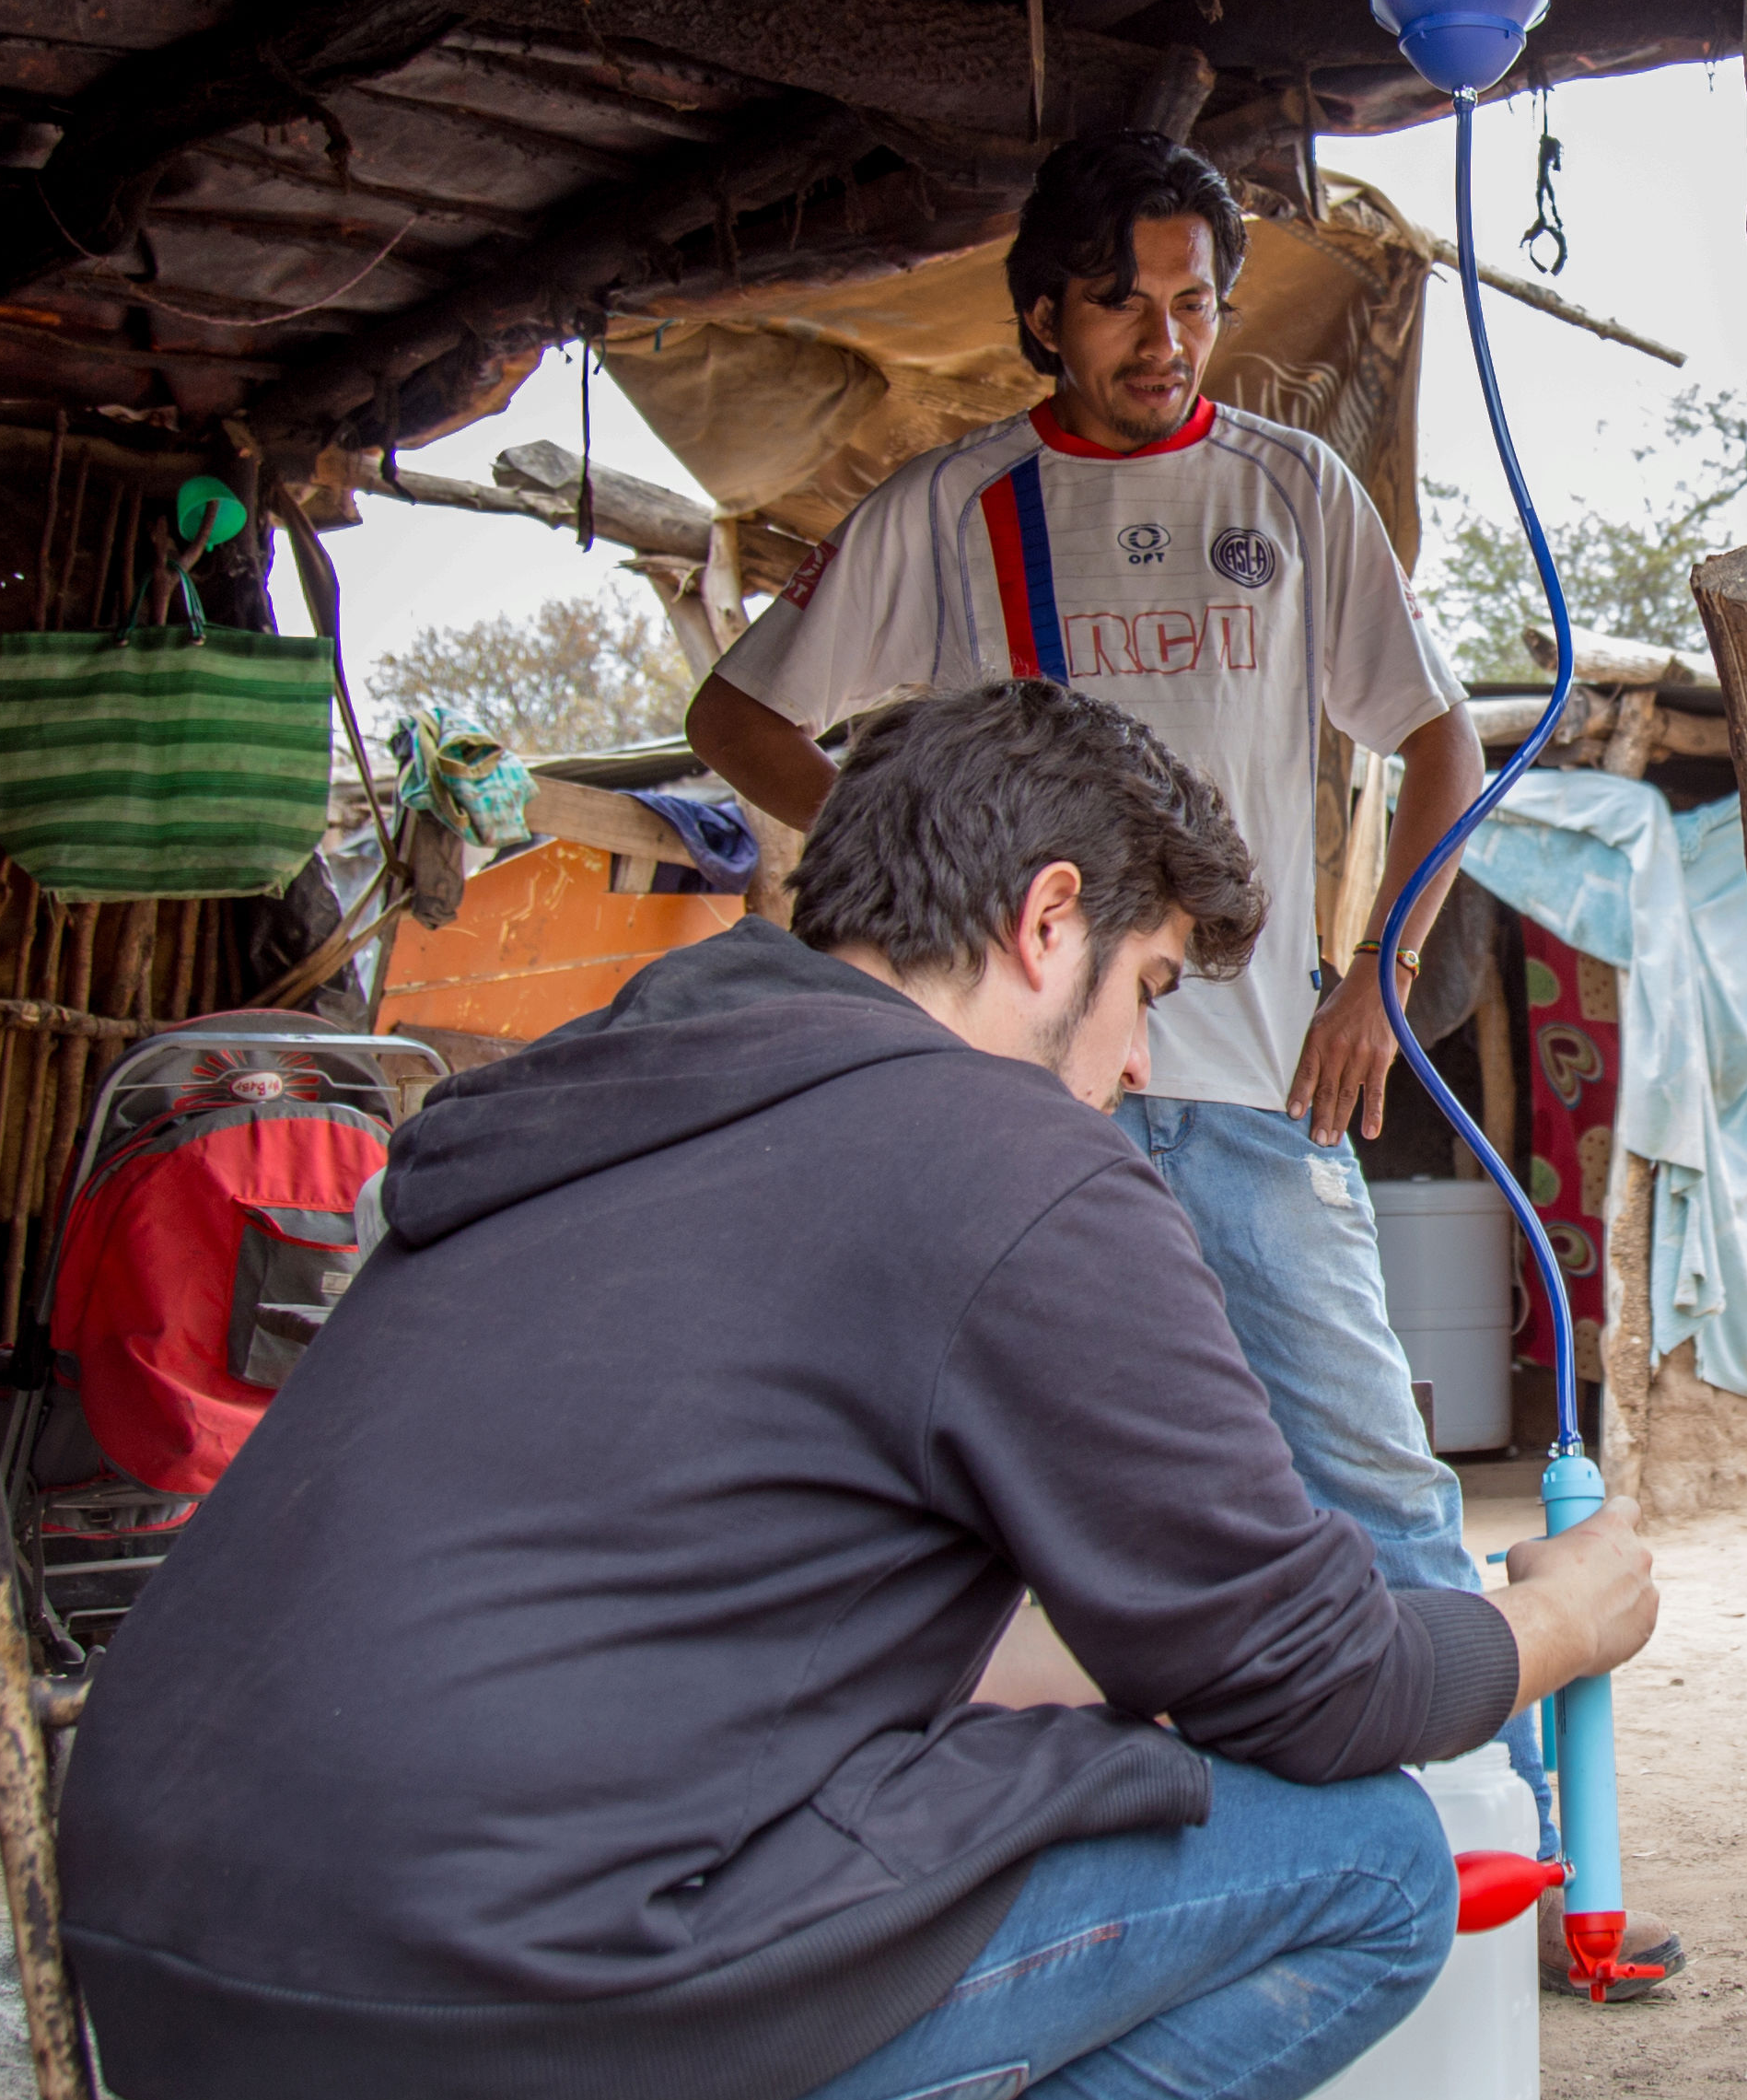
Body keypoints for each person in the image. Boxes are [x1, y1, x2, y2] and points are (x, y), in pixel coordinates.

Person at [60, 683, 1660, 2100]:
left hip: (183, 2011)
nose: (1140, 1060)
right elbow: (1317, 1684)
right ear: (1044, 920)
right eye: (1145, 986)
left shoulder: (580, 1101)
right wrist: (1557, 1619)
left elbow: (689, 1614)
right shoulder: (1014, 1170)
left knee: (608, 1766)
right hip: (466, 2043)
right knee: (1364, 1871)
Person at [682, 129, 1676, 1997]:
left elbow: (1438, 738)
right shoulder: (959, 505)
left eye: (1198, 298)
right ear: (1045, 310)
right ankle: (970, 1908)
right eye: (1127, 299)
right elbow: (731, 713)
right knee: (992, 1516)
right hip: (1018, 1108)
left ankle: (1510, 1863)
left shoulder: (1292, 491)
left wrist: (1376, 969)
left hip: (1250, 1085)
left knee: (1372, 1479)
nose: (1168, 334)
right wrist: (905, 846)